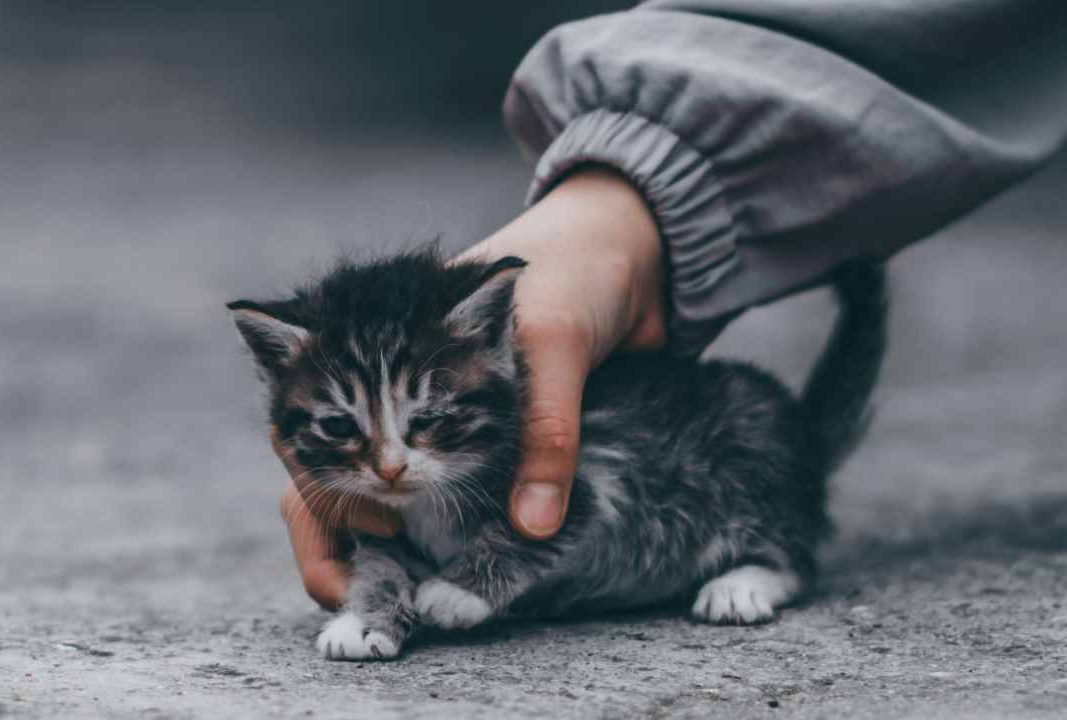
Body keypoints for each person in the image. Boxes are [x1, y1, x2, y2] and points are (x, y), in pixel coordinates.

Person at [275, 0, 1067, 610]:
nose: (386, 465)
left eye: (420, 424)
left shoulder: (491, 423)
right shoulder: (431, 453)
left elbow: (563, 510)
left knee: (744, 416)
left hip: (715, 477)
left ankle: (772, 559)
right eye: (347, 432)